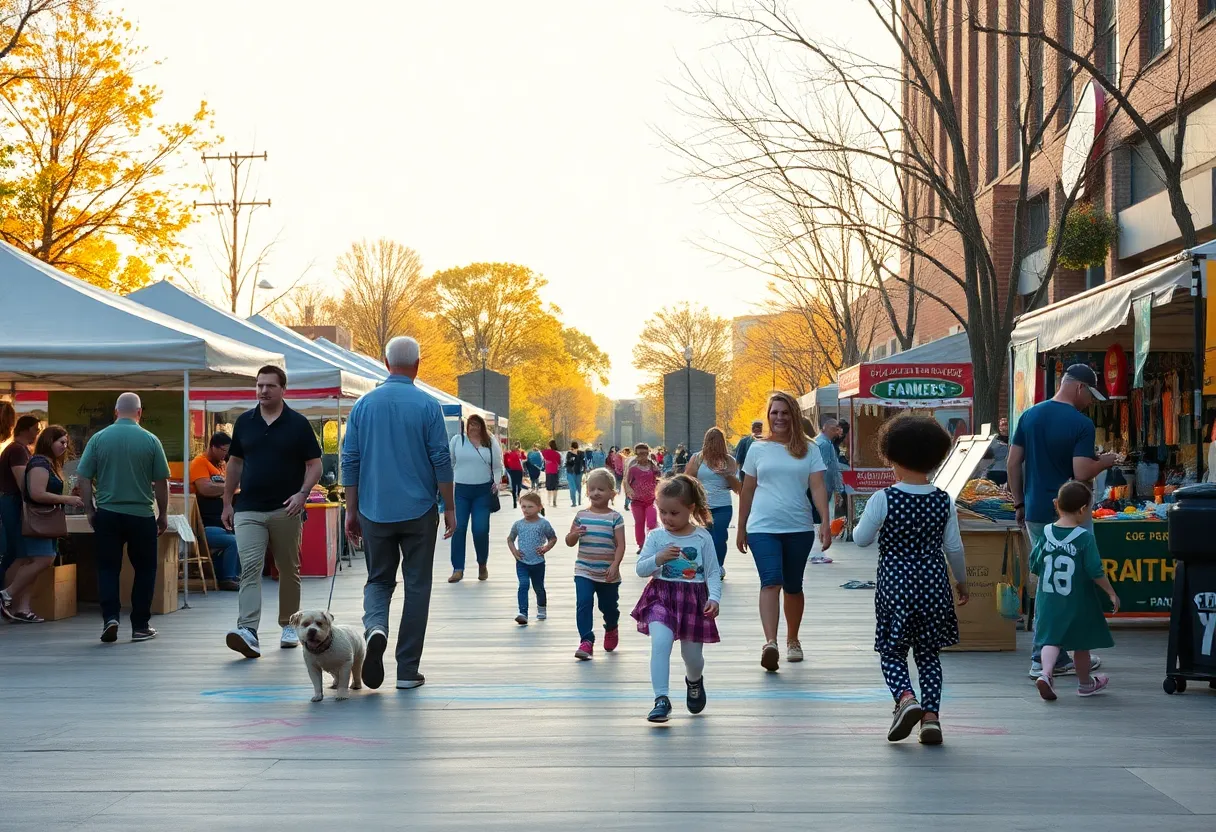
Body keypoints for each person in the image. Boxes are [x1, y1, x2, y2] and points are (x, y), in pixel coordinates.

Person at [342, 336, 455, 691]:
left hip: (374, 510)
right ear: (418, 364)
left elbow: (350, 460)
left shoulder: (362, 405)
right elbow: (441, 458)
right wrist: (449, 505)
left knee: (379, 580)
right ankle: (407, 670)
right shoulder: (428, 405)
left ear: (384, 362)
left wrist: (351, 510)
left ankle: (376, 627)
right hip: (419, 509)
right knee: (417, 586)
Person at [853, 415, 969, 744]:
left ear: (892, 457)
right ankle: (931, 717)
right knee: (928, 654)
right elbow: (954, 548)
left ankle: (905, 699)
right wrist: (962, 582)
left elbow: (861, 539)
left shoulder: (884, 498)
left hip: (895, 585)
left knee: (892, 651)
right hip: (933, 585)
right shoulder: (943, 500)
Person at [1007, 364, 1117, 679]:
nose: (1090, 402)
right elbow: (1081, 471)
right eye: (1090, 395)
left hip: (1035, 512)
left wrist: (1019, 502)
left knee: (1048, 583)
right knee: (1074, 583)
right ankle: (1051, 658)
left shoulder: (1028, 416)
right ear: (1079, 387)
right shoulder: (1081, 424)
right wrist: (1105, 462)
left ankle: (1052, 655)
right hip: (1071, 513)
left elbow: (1014, 462)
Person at [223, 366, 323, 658]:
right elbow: (235, 464)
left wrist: (302, 495)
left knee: (288, 568)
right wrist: (228, 501)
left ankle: (289, 625)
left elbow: (314, 464)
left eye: (269, 386)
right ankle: (248, 630)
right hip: (249, 509)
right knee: (250, 567)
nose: (263, 391)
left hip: (286, 509)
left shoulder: (298, 424)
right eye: (259, 386)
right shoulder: (244, 422)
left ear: (283, 389)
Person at [736, 392, 832, 672]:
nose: (779, 418)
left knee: (793, 585)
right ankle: (770, 643)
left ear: (794, 416)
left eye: (784, 413)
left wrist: (825, 522)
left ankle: (793, 639)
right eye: (774, 413)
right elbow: (748, 489)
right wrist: (741, 526)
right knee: (770, 581)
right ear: (768, 416)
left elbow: (817, 487)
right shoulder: (757, 449)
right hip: (762, 527)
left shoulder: (810, 449)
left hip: (799, 527)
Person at [76, 394, 171, 644]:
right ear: (140, 413)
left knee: (108, 569)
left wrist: (89, 509)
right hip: (141, 515)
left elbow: (83, 478)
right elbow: (161, 482)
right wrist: (163, 514)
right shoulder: (151, 440)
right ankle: (140, 625)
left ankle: (110, 618)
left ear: (116, 412)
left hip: (108, 515)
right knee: (145, 570)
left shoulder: (98, 439)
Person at [632, 475, 722, 723]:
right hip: (661, 596)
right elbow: (640, 570)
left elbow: (714, 571)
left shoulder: (702, 538)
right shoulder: (656, 537)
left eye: (674, 513)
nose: (668, 519)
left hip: (693, 600)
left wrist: (714, 597)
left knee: (692, 657)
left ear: (690, 509)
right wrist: (658, 559)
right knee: (660, 644)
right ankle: (661, 699)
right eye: (663, 512)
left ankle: (694, 681)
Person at [1030, 481, 1117, 701]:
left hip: (1048, 598)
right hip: (1078, 599)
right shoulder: (1084, 538)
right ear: (1082, 510)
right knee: (1081, 644)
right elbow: (1095, 570)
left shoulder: (1046, 532)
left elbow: (1034, 563)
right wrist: (1111, 592)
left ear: (1056, 504)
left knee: (1051, 639)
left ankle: (1046, 673)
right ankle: (1086, 684)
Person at [0, 425, 83, 623]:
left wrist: (66, 496)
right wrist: (66, 500)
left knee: (35, 561)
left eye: (66, 443)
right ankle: (6, 594)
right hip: (38, 519)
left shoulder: (48, 463)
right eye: (60, 442)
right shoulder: (39, 463)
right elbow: (36, 493)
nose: (64, 446)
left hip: (46, 519)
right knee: (44, 558)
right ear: (48, 441)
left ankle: (23, 607)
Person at [566, 467, 626, 659]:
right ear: (586, 491)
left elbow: (621, 545)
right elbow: (569, 541)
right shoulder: (581, 516)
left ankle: (611, 626)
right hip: (584, 569)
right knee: (583, 602)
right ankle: (586, 640)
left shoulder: (615, 517)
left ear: (612, 493)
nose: (595, 493)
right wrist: (574, 534)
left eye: (601, 489)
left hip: (607, 572)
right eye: (591, 489)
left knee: (608, 607)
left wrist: (615, 565)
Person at [448, 414, 503, 583]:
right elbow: (450, 463)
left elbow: (498, 466)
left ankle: (482, 564)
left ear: (482, 427)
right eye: (471, 425)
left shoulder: (490, 442)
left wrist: (497, 482)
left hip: (482, 491)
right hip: (461, 491)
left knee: (480, 529)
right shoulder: (458, 440)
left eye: (477, 425)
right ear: (466, 426)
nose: (474, 428)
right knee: (458, 528)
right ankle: (458, 568)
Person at [685, 427, 740, 578]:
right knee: (705, 536)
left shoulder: (729, 461)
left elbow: (738, 489)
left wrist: (727, 475)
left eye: (717, 442)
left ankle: (718, 566)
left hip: (723, 505)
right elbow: (687, 479)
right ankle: (705, 565)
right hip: (703, 505)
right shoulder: (697, 458)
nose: (714, 445)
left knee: (720, 537)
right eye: (711, 441)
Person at [189, 432, 239, 591]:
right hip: (206, 525)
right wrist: (229, 487)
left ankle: (230, 574)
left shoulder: (222, 465)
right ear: (213, 447)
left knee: (245, 537)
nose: (226, 454)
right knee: (234, 542)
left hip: (224, 523)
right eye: (224, 450)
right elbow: (205, 488)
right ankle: (227, 578)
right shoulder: (199, 463)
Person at [0, 415, 40, 589]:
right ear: (26, 429)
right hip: (12, 502)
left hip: (11, 501)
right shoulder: (17, 450)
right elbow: (24, 483)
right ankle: (5, 591)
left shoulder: (17, 449)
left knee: (14, 551)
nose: (37, 433)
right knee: (17, 551)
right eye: (36, 429)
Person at [508, 492, 556, 625]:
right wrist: (514, 551)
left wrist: (546, 548)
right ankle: (523, 613)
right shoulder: (518, 524)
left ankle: (542, 608)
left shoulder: (543, 523)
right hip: (522, 562)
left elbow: (552, 538)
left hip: (538, 563)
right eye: (523, 507)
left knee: (538, 587)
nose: (526, 510)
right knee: (523, 585)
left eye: (530, 507)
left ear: (539, 507)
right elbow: (510, 539)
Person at [811, 418, 844, 564]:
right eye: (834, 428)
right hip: (824, 488)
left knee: (819, 520)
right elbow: (824, 469)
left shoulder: (823, 443)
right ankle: (817, 552)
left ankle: (817, 552)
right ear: (825, 428)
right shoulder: (824, 444)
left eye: (838, 428)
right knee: (821, 520)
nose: (837, 431)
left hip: (823, 487)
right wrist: (835, 489)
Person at [625, 443, 661, 553]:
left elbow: (659, 477)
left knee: (652, 522)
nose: (643, 456)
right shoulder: (633, 469)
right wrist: (629, 490)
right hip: (637, 501)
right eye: (640, 454)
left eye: (646, 453)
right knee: (639, 523)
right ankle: (641, 545)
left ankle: (652, 543)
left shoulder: (652, 466)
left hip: (650, 500)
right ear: (636, 454)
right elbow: (626, 481)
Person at [986, 417, 1010, 487]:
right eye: (1002, 425)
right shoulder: (994, 441)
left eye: (1005, 424)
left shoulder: (1013, 440)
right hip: (993, 471)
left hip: (1006, 471)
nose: (1004, 427)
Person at [503, 441, 527, 508]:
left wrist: (507, 467)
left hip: (512, 470)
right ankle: (518, 494)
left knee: (513, 485)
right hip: (519, 470)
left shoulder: (508, 453)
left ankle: (514, 502)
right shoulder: (520, 452)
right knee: (519, 484)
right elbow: (525, 458)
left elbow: (505, 462)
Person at [541, 440, 562, 508]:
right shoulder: (557, 454)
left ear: (549, 446)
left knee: (549, 488)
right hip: (555, 471)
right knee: (555, 487)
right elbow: (559, 463)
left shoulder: (545, 452)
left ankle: (549, 501)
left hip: (548, 471)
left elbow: (542, 453)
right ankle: (554, 501)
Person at [565, 441, 587, 507]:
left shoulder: (579, 453)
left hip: (573, 472)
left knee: (575, 487)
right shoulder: (570, 453)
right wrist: (585, 470)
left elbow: (583, 462)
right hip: (576, 472)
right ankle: (576, 502)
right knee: (576, 487)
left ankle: (576, 502)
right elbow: (584, 463)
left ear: (572, 447)